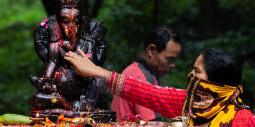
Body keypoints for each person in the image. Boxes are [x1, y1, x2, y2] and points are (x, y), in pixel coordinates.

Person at [64, 48, 255, 126]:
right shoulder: (188, 102)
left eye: (197, 72)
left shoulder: (243, 120)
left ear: (216, 85)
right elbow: (148, 93)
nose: (191, 76)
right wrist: (97, 71)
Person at [111, 26, 182, 121]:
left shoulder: (132, 70)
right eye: (170, 59)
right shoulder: (143, 77)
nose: (173, 65)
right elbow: (153, 123)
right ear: (151, 50)